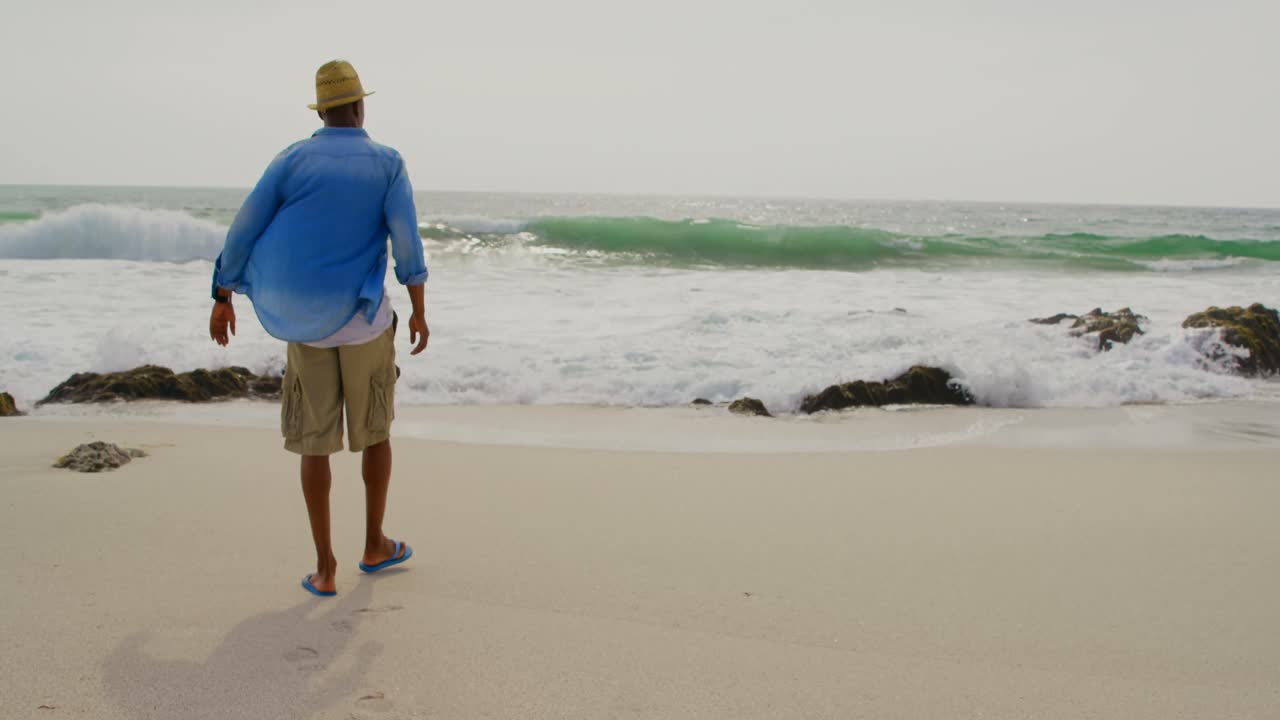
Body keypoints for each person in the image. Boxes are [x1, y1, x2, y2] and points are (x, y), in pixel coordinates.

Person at [208, 60, 429, 597]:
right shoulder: (387, 163)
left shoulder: (291, 160)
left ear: (321, 110)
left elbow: (245, 226)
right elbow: (406, 243)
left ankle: (325, 568)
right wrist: (419, 306)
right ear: (360, 106)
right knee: (375, 433)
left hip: (304, 324)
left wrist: (222, 293)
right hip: (363, 321)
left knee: (315, 444)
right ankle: (374, 544)